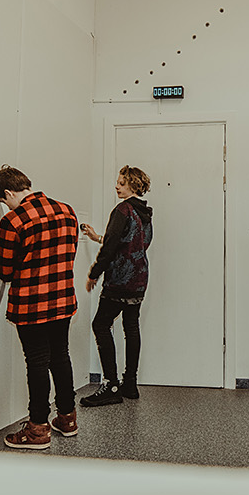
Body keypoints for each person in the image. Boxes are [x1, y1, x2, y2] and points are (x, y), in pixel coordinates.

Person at [0, 165, 80, 450]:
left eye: (3, 201)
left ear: (8, 193)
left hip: (31, 304)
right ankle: (67, 418)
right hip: (63, 299)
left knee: (37, 361)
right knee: (60, 356)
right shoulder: (67, 211)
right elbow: (70, 253)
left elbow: (4, 270)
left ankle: (38, 429)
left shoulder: (13, 221)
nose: (5, 206)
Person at [79, 165, 154, 407]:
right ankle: (130, 383)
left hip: (120, 280)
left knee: (100, 324)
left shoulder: (122, 209)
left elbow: (112, 247)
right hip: (139, 278)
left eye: (121, 183)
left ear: (132, 185)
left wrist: (94, 273)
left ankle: (111, 385)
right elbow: (132, 243)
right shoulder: (144, 212)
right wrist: (98, 237)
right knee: (131, 326)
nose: (117, 186)